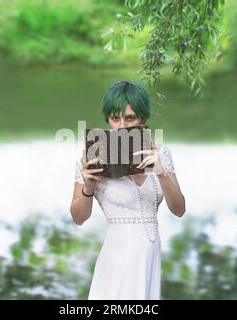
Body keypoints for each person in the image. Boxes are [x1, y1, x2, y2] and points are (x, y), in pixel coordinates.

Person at [70, 80, 185, 300]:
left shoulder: (161, 152)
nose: (122, 126)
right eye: (115, 118)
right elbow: (78, 218)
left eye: (130, 118)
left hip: (149, 254)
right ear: (108, 120)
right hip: (117, 254)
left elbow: (179, 209)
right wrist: (88, 187)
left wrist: (161, 172)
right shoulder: (91, 157)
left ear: (143, 118)